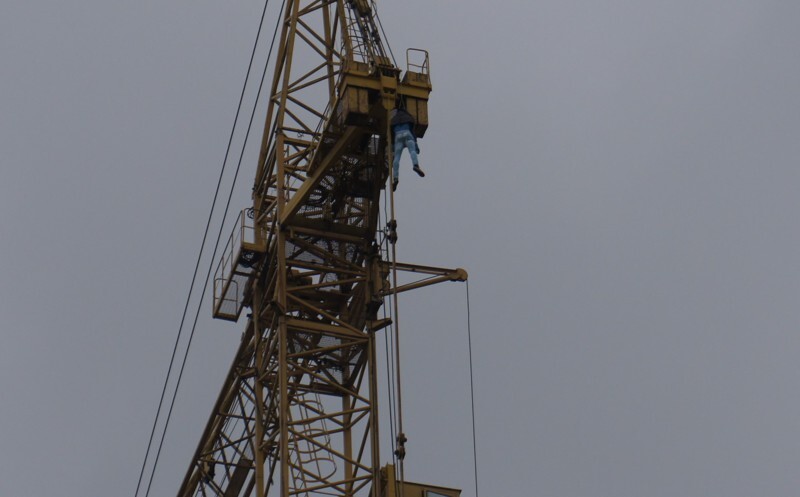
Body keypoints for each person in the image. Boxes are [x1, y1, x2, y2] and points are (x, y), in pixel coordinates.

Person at [390, 107, 425, 191]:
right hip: (407, 133)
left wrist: (392, 146)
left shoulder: (393, 120)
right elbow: (413, 132)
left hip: (398, 136)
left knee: (397, 158)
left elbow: (391, 134)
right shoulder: (408, 117)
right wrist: (416, 145)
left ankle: (395, 178)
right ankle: (415, 165)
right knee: (412, 150)